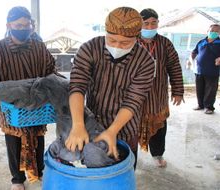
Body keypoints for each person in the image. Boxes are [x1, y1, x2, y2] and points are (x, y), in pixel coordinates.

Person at [65, 7, 155, 169]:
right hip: (93, 121)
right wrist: (78, 125)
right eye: (112, 40)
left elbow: (133, 101)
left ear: (137, 37)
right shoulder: (90, 48)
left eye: (125, 42)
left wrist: (112, 131)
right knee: (91, 169)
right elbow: (77, 87)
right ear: (105, 32)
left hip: (125, 127)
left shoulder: (145, 62)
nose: (117, 46)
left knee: (122, 170)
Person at [0, 6, 59, 190]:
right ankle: (17, 179)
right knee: (14, 143)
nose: (23, 28)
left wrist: (57, 86)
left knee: (38, 139)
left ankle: (38, 170)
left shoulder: (39, 48)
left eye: (27, 25)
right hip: (12, 108)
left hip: (37, 105)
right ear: (9, 25)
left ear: (32, 25)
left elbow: (51, 70)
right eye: (18, 25)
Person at [138, 8, 184, 167]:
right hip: (134, 96)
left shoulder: (165, 43)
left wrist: (178, 91)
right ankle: (129, 157)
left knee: (159, 127)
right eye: (146, 23)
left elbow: (175, 68)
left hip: (157, 95)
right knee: (130, 128)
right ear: (139, 24)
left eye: (153, 23)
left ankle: (157, 154)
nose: (150, 27)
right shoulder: (130, 42)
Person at [190, 24, 220, 114]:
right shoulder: (201, 41)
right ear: (207, 31)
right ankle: (200, 105)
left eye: (216, 31)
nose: (213, 32)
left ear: (219, 33)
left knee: (210, 90)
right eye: (211, 30)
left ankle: (209, 107)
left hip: (212, 71)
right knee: (199, 89)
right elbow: (194, 52)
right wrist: (191, 59)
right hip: (199, 70)